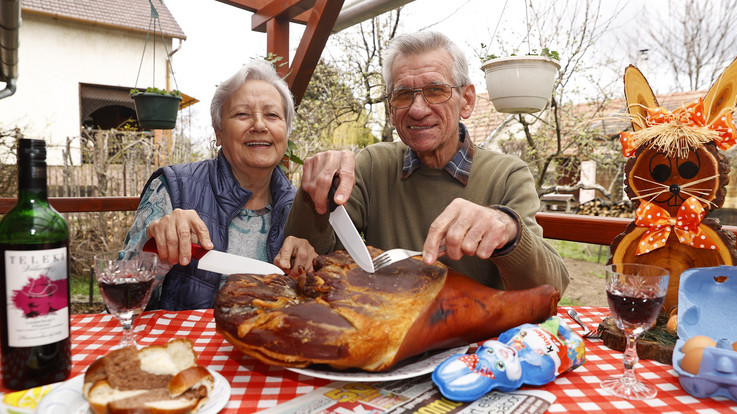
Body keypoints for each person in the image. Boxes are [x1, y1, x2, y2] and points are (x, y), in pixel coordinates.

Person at [284, 31, 569, 293]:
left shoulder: (507, 175)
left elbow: (551, 288)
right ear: (390, 108)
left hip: (480, 344)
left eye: (436, 90)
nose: (418, 110)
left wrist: (508, 231)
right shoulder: (373, 164)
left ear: (466, 101)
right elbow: (311, 256)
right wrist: (316, 191)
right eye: (403, 94)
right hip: (389, 332)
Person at [122, 60, 317, 310]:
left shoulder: (304, 208)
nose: (259, 125)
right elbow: (125, 302)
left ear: (286, 131)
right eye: (242, 114)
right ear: (218, 131)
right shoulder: (173, 189)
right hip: (188, 346)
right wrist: (156, 251)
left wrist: (311, 272)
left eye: (272, 115)